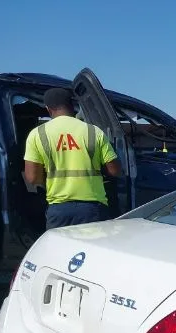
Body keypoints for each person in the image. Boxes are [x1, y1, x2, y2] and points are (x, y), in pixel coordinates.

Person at [24, 88, 123, 229]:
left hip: (58, 209)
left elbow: (33, 177)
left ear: (48, 108)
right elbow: (114, 171)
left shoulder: (37, 134)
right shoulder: (93, 131)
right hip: (93, 208)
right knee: (92, 249)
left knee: (61, 250)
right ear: (72, 106)